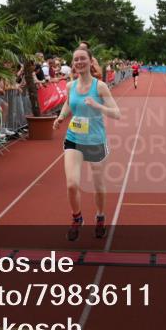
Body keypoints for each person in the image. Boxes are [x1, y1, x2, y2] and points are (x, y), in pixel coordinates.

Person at [53, 46, 121, 241]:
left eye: (83, 58)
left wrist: (98, 105)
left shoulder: (100, 87)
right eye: (76, 59)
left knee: (98, 185)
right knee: (72, 184)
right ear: (73, 64)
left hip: (95, 141)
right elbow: (68, 103)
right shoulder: (70, 86)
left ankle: (100, 217)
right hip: (73, 138)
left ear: (91, 61)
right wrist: (61, 117)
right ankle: (77, 218)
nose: (79, 62)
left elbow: (116, 113)